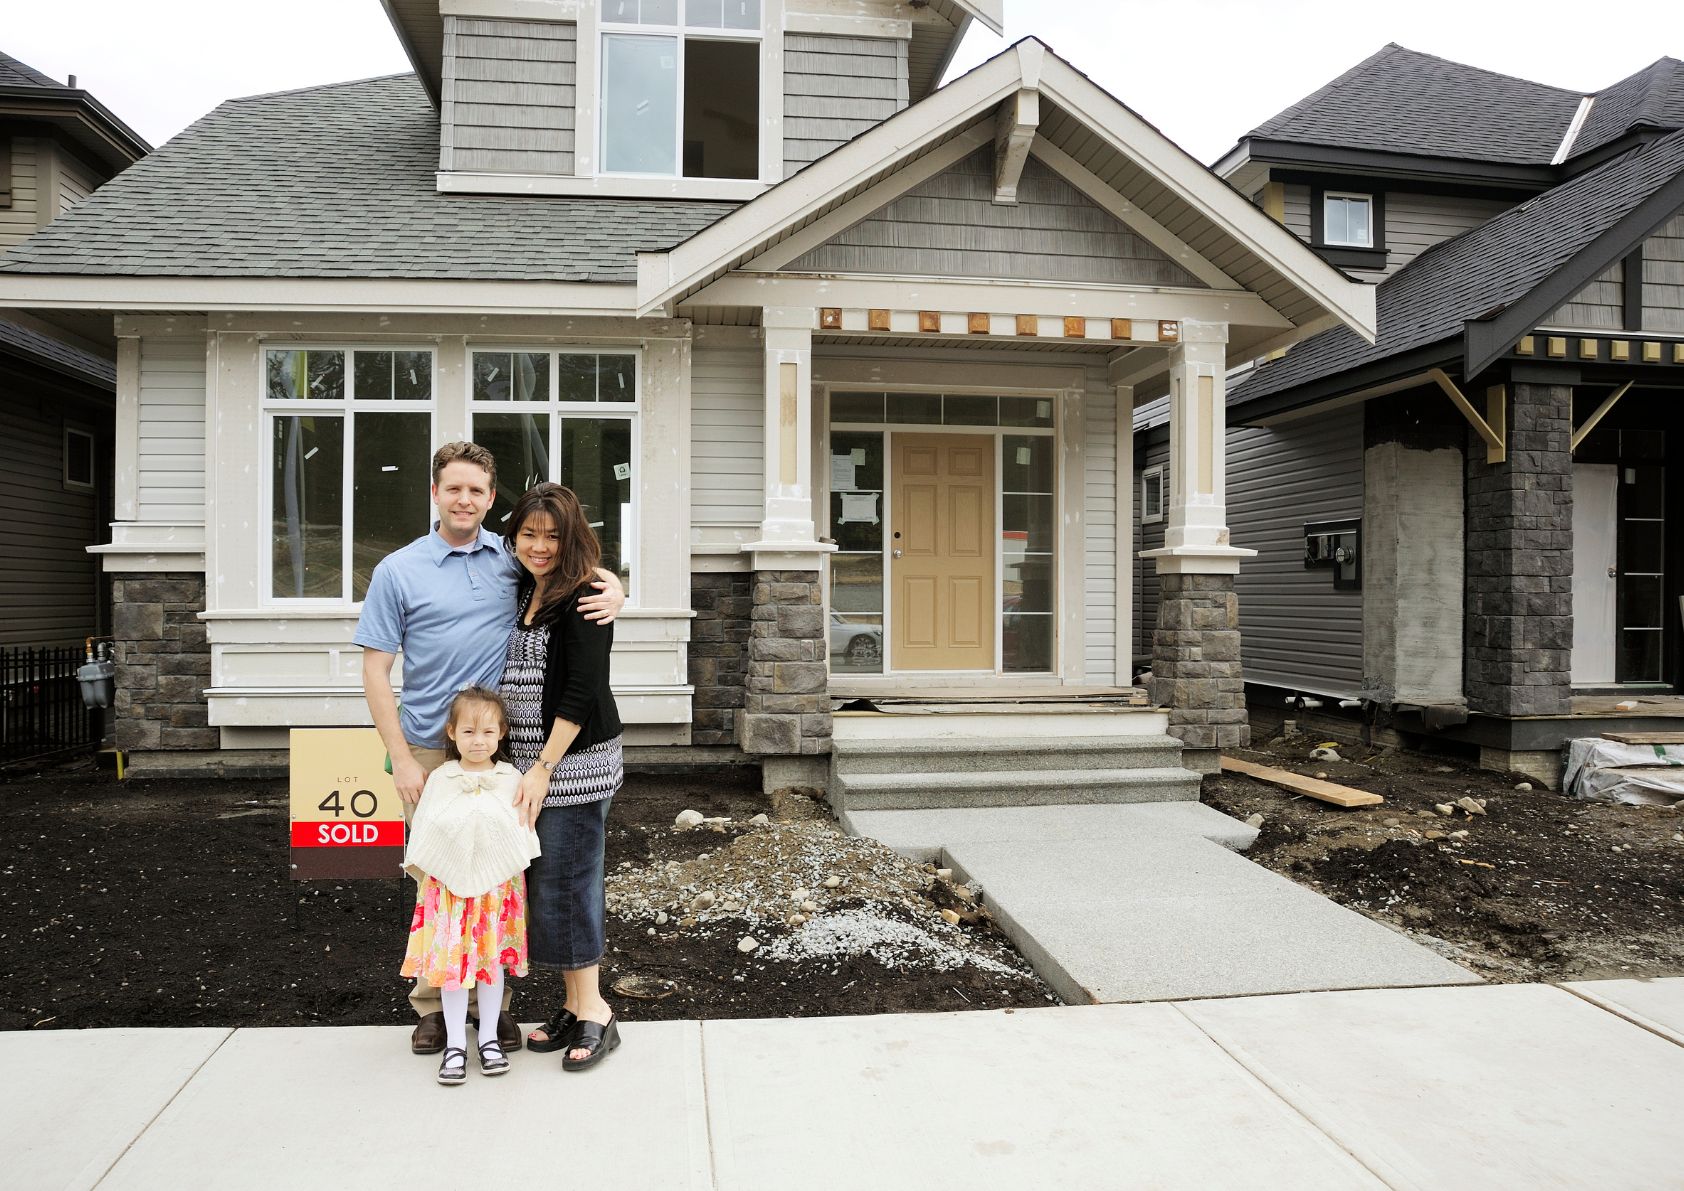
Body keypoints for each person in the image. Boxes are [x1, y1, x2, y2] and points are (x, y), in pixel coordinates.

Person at [356, 441, 624, 1056]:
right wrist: (399, 757)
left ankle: (497, 1006)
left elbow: (571, 567)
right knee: (440, 882)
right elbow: (375, 671)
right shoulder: (398, 570)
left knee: (505, 876)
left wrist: (616, 589)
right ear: (435, 492)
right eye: (454, 488)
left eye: (477, 490)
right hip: (429, 748)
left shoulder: (507, 560)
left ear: (488, 497)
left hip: (506, 753)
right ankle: (433, 1007)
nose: (465, 499)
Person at [502, 482, 624, 1072]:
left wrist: (545, 768)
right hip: (532, 767)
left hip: (571, 766)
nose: (541, 545)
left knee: (570, 885)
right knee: (548, 887)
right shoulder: (528, 587)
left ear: (571, 536)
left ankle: (596, 1010)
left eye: (553, 535)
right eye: (530, 534)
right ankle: (575, 1004)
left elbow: (582, 690)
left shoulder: (586, 594)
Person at [400, 686, 540, 1085]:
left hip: (496, 894)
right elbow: (427, 831)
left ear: (502, 734)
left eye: (488, 733)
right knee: (453, 969)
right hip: (449, 894)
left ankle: (490, 1039)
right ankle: (457, 1044)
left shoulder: (510, 777)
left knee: (491, 966)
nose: (478, 742)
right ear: (450, 732)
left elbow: (518, 832)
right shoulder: (441, 778)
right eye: (468, 732)